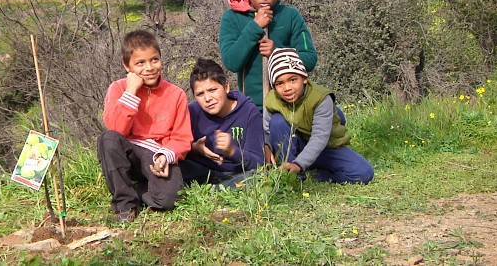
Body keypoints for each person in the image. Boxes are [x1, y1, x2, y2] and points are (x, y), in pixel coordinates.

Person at [97, 29, 193, 222]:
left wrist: (165, 156)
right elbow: (117, 130)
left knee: (169, 199)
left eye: (154, 60)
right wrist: (131, 91)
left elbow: (182, 137)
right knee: (107, 139)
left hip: (156, 156)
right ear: (127, 66)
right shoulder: (118, 89)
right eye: (140, 63)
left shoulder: (175, 94)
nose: (149, 68)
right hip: (129, 152)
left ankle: (136, 190)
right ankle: (125, 205)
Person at [219, 0, 318, 111]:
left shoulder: (290, 15)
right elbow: (232, 62)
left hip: (289, 106)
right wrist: (255, 27)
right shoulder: (232, 17)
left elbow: (310, 59)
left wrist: (277, 53)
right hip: (251, 107)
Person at [264, 48, 374, 184]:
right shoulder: (271, 99)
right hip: (297, 145)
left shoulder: (321, 98)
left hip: (327, 148)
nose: (287, 88)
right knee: (277, 122)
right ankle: (289, 175)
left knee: (363, 173)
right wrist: (267, 147)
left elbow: (319, 138)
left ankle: (319, 175)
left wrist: (299, 164)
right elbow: (267, 131)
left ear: (304, 78)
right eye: (279, 83)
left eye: (292, 80)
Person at [179, 59, 264, 189]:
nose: (208, 99)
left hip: (235, 173)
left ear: (226, 87)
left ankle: (214, 190)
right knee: (175, 168)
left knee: (256, 177)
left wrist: (232, 151)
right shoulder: (192, 112)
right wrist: (194, 148)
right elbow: (177, 146)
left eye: (212, 90)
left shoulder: (248, 111)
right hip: (202, 171)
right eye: (200, 94)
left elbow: (258, 162)